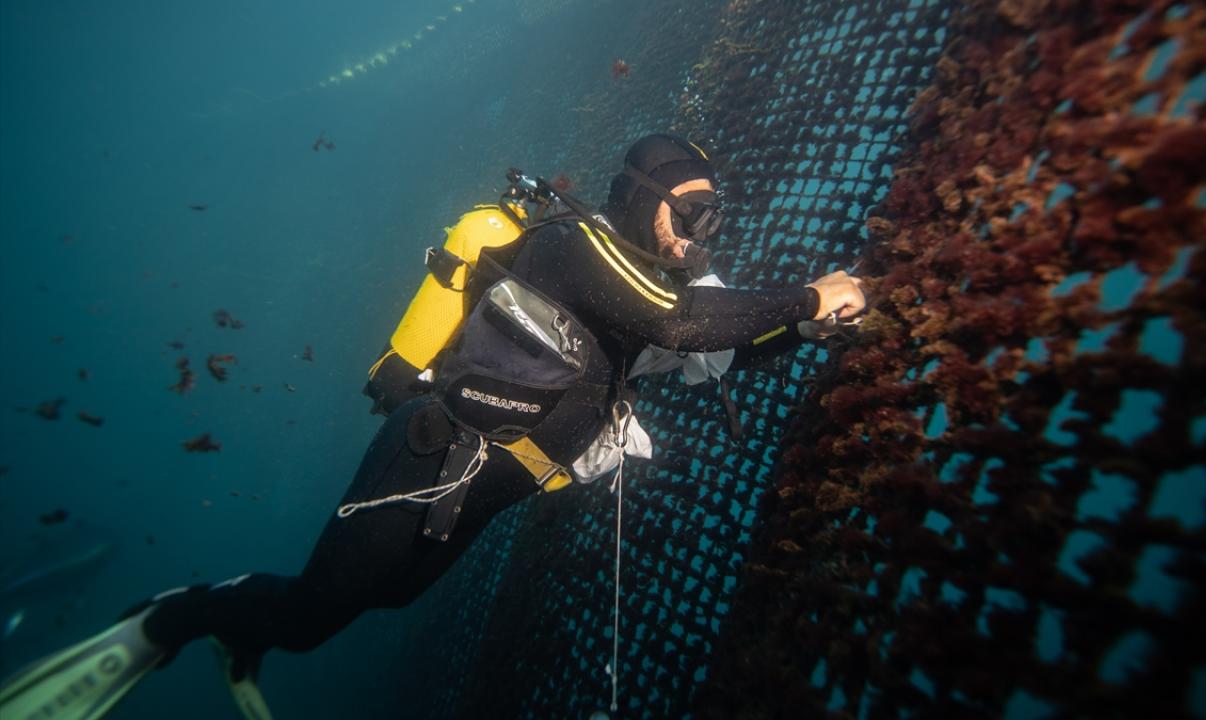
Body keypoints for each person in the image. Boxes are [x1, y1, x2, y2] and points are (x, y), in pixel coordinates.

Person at [0, 134, 865, 720]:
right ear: (642, 204)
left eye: (714, 215)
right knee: (312, 616)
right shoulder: (577, 249)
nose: (699, 235)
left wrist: (801, 331)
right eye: (689, 213)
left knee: (387, 597)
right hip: (431, 458)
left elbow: (703, 352)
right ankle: (179, 615)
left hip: (489, 491)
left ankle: (246, 623)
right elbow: (684, 327)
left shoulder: (639, 300)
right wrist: (809, 295)